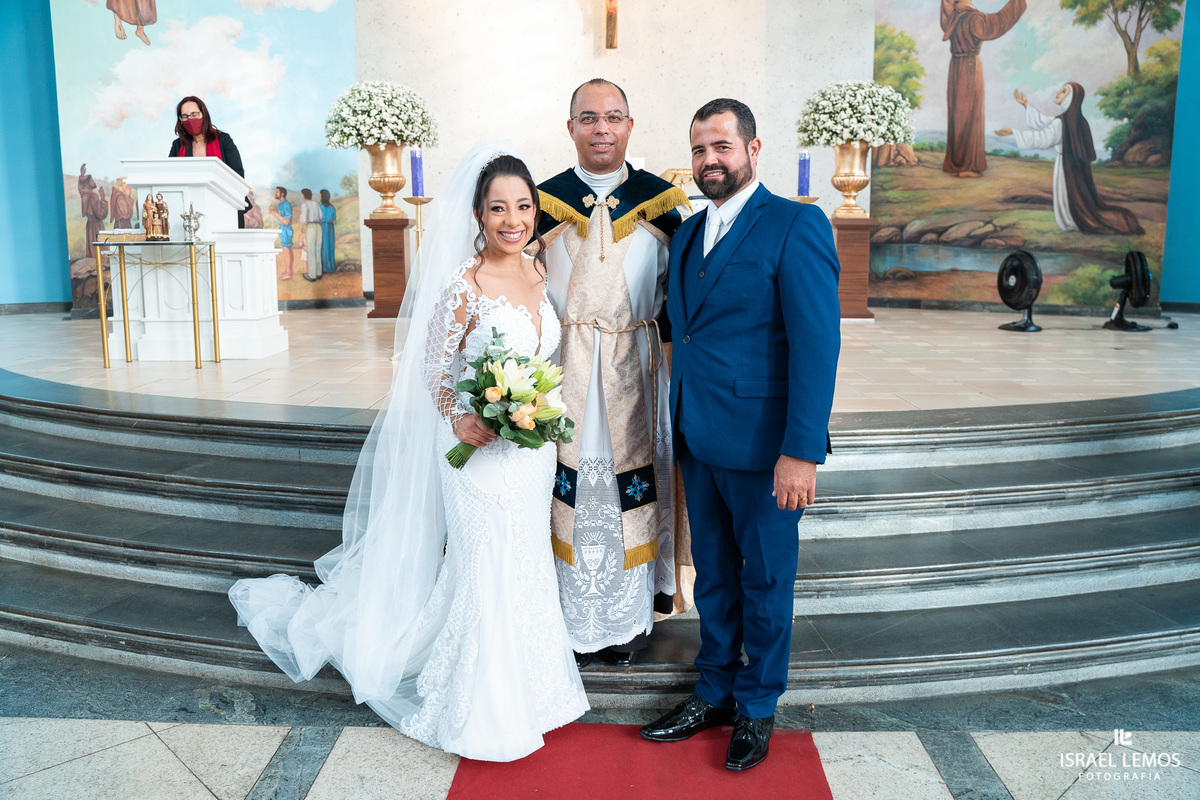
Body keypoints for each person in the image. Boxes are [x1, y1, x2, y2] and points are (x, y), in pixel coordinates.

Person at [228, 143, 588, 762]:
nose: (513, 220)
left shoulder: (539, 270)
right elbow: (432, 371)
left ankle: (537, 689)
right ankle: (482, 707)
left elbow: (543, 358)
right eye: (498, 208)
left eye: (523, 207)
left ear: (536, 210)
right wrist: (463, 417)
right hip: (475, 450)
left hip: (530, 451)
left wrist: (537, 411)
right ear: (477, 214)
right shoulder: (463, 287)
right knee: (484, 564)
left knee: (524, 559)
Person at [640, 99, 840, 771]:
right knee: (715, 578)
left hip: (765, 447)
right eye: (699, 150)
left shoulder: (796, 224)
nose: (710, 160)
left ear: (754, 149)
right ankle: (714, 689)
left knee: (767, 580)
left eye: (722, 146)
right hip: (698, 438)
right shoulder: (689, 234)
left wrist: (801, 451)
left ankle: (757, 704)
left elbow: (817, 346)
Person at [537, 79, 691, 667]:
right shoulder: (539, 204)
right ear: (570, 127)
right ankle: (569, 618)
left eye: (613, 117)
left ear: (630, 125)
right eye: (588, 117)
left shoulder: (663, 203)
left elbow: (685, 295)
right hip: (564, 370)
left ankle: (628, 621)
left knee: (634, 488)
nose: (601, 128)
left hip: (639, 372)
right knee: (570, 487)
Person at [995, 83, 1144, 235]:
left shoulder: (1062, 122)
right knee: (1082, 199)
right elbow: (1047, 122)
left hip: (1065, 167)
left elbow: (1044, 137)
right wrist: (1026, 105)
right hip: (1079, 169)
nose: (1058, 93)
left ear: (1071, 98)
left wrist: (1014, 132)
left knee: (1069, 196)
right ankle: (1074, 220)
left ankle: (1072, 221)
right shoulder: (1077, 120)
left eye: (1063, 91)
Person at [940, 0, 1027, 177]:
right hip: (970, 70)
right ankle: (966, 167)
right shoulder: (973, 18)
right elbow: (998, 22)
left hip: (956, 68)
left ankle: (957, 164)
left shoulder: (953, 17)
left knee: (958, 116)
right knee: (970, 115)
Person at [168, 96, 251, 227]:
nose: (190, 120)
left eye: (194, 114)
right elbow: (169, 176)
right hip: (188, 212)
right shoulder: (177, 145)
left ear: (204, 114)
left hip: (226, 207)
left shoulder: (224, 140)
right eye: (185, 116)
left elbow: (238, 175)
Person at [78, 165, 109, 261]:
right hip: (97, 226)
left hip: (90, 225)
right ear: (88, 183)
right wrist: (103, 199)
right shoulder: (93, 196)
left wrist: (81, 175)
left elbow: (80, 187)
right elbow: (101, 214)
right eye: (91, 180)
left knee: (92, 251)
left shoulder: (85, 194)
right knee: (98, 252)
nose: (94, 182)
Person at [270, 187, 294, 280]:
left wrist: (275, 214)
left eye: (277, 192)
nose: (275, 193)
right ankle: (289, 271)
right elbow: (282, 217)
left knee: (286, 250)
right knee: (288, 250)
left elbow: (286, 221)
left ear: (282, 193)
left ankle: (288, 273)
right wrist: (276, 211)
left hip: (286, 230)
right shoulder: (282, 204)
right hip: (284, 230)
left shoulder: (286, 204)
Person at [299, 189, 323, 282]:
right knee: (318, 250)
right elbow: (321, 216)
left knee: (311, 251)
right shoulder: (316, 204)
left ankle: (312, 275)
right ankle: (319, 273)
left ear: (304, 195)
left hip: (311, 227)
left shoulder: (304, 204)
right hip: (318, 227)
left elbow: (303, 219)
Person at [319, 189, 337, 274]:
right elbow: (334, 221)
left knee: (323, 247)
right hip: (330, 228)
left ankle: (323, 267)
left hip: (322, 227)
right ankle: (330, 267)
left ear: (323, 196)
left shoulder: (319, 206)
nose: (319, 196)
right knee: (330, 246)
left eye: (320, 195)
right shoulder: (332, 207)